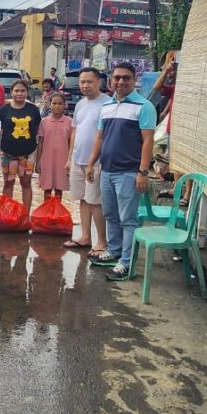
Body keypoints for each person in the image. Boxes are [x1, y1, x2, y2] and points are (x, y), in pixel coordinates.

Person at [87, 62, 157, 281]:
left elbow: (148, 141)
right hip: (107, 171)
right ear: (111, 80)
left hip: (129, 172)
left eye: (126, 78)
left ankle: (126, 263)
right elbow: (100, 137)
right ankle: (114, 251)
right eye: (117, 78)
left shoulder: (143, 106)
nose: (121, 82)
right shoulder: (106, 106)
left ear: (134, 80)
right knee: (111, 215)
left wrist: (142, 172)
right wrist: (91, 163)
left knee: (129, 220)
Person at [65, 67, 110, 255]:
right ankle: (85, 236)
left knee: (95, 202)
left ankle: (102, 241)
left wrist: (97, 161)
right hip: (78, 159)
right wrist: (69, 158)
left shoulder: (108, 104)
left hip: (97, 162)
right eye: (82, 82)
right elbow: (75, 130)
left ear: (98, 81)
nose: (84, 85)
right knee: (82, 199)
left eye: (89, 81)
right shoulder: (80, 104)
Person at [0, 80, 40, 210]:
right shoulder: (3, 110)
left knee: (26, 183)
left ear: (27, 92)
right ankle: (7, 212)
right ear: (11, 92)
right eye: (16, 90)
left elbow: (37, 129)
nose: (19, 93)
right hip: (7, 153)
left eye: (22, 91)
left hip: (28, 152)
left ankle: (26, 214)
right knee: (8, 183)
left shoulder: (33, 109)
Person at [36, 92, 72, 200]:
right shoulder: (44, 122)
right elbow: (40, 142)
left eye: (60, 103)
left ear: (64, 105)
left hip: (63, 160)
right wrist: (38, 162)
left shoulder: (69, 122)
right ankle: (46, 213)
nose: (57, 106)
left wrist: (70, 161)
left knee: (59, 189)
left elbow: (71, 143)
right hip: (47, 159)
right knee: (46, 188)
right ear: (49, 104)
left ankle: (57, 213)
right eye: (54, 103)